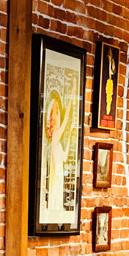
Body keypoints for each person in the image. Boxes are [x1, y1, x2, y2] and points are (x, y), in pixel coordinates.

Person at [45, 78, 77, 215]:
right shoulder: (54, 138)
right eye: (57, 114)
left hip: (59, 180)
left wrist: (69, 134)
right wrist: (72, 95)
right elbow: (65, 121)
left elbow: (64, 158)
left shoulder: (56, 141)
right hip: (56, 180)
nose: (58, 117)